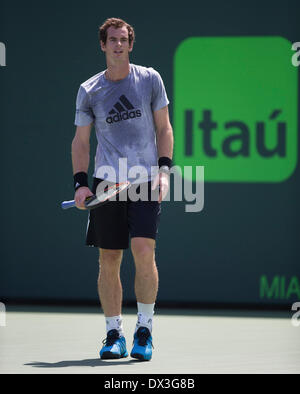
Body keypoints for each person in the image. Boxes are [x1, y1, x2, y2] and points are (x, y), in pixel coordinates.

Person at [71, 17, 174, 361]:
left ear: (131, 44)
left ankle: (144, 330)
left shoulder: (150, 80)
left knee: (144, 250)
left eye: (123, 40)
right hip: (106, 183)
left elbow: (164, 128)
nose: (118, 45)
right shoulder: (89, 90)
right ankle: (114, 333)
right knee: (109, 257)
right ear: (102, 45)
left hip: (144, 180)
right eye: (111, 40)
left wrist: (163, 171)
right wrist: (81, 184)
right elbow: (81, 141)